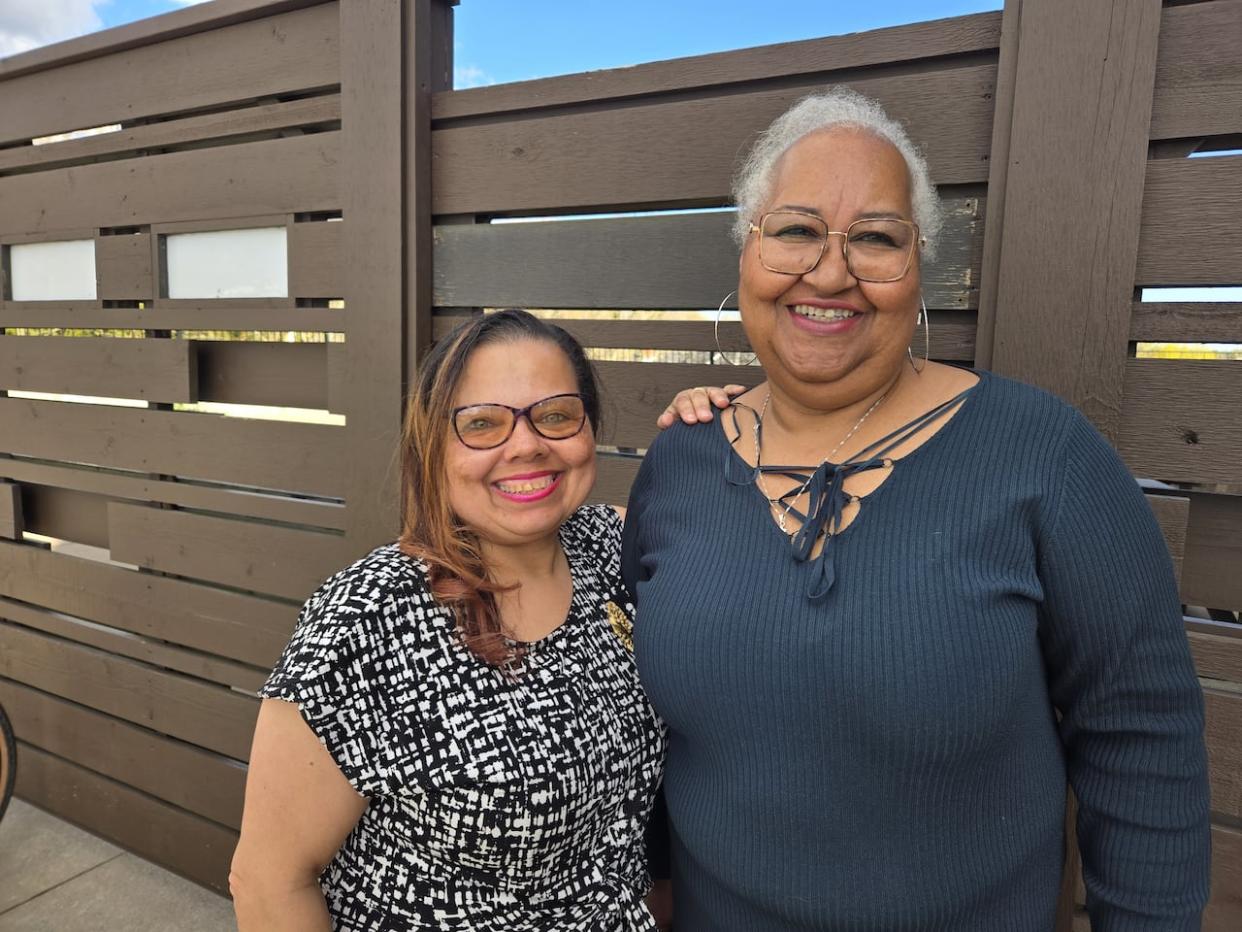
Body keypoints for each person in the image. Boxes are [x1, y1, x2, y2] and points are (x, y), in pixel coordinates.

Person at [624, 87, 1211, 931]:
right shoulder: (681, 461)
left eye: (874, 238)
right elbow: (640, 726)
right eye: (794, 230)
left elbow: (1140, 730)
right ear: (746, 253)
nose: (830, 272)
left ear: (919, 265)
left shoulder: (1044, 454)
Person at [229, 309, 735, 931]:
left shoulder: (614, 549)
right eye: (482, 425)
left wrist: (719, 433)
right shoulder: (367, 618)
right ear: (433, 448)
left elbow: (746, 534)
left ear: (589, 429)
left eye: (554, 415)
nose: (526, 444)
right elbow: (268, 881)